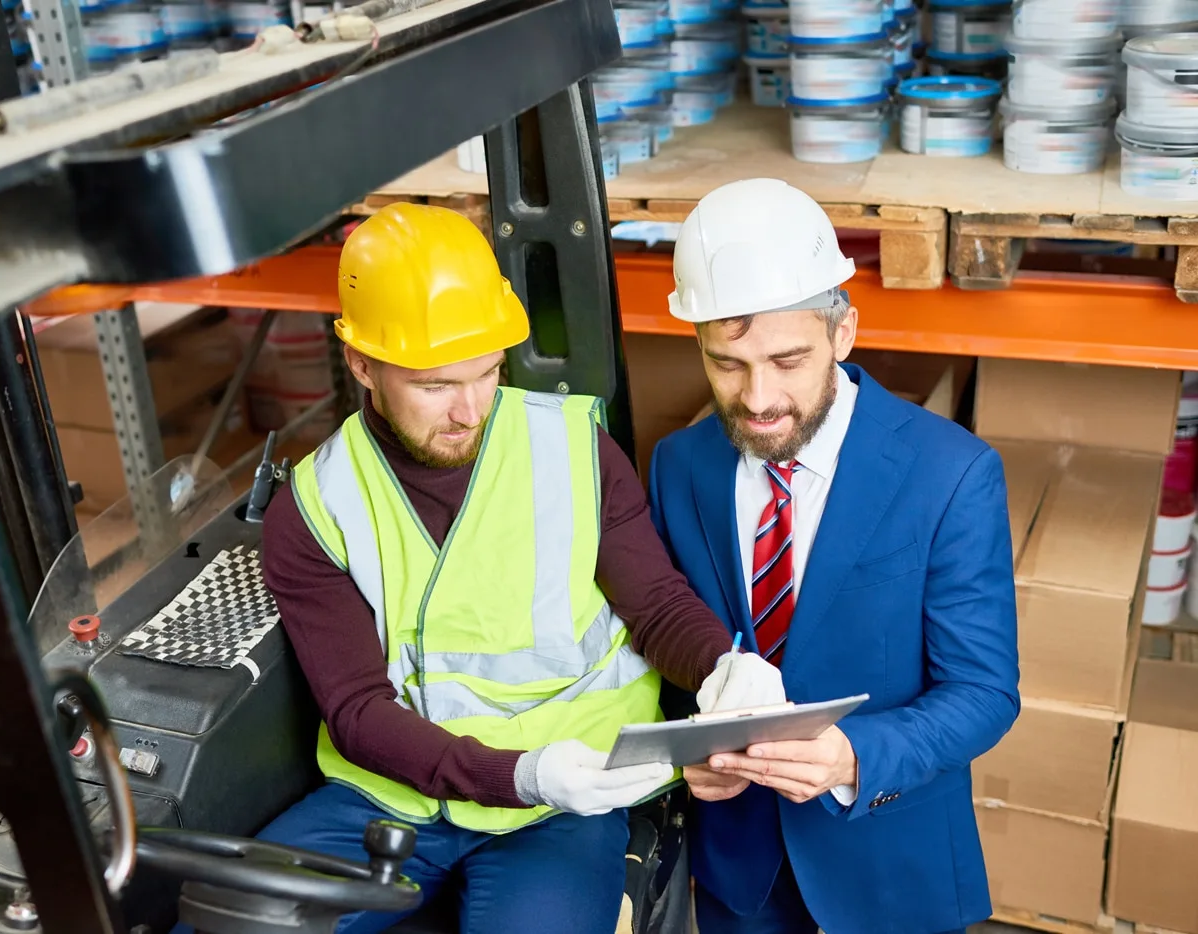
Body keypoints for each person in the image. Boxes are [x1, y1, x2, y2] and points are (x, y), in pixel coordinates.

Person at [252, 202, 760, 934]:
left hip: (569, 798)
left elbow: (654, 605)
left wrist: (721, 664)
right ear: (361, 363)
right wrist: (515, 771)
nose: (468, 410)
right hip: (392, 795)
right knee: (231, 920)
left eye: (487, 372)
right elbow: (359, 712)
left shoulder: (575, 450)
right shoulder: (314, 507)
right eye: (434, 386)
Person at [648, 179, 1021, 934]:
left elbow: (984, 692)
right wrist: (681, 754)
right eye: (728, 364)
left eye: (788, 360)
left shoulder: (949, 473)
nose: (759, 398)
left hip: (891, 865)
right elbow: (670, 649)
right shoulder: (678, 467)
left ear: (843, 333)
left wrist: (852, 754)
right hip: (740, 873)